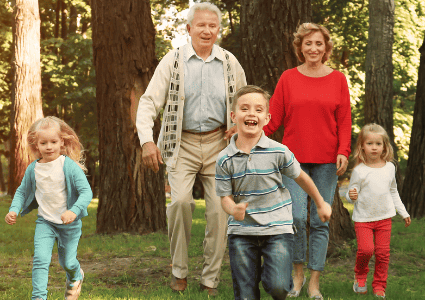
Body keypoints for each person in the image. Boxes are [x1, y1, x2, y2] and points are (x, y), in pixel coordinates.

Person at [135, 2, 247, 295]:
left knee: (219, 212)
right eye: (201, 25)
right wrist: (147, 140)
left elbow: (245, 102)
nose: (207, 30)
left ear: (218, 30)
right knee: (180, 203)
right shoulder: (172, 61)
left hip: (219, 145)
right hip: (180, 143)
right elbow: (148, 102)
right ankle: (179, 272)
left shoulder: (229, 63)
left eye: (212, 26)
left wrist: (239, 123)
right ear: (189, 29)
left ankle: (210, 279)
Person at [262, 23, 352, 299]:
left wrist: (344, 151)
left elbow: (344, 120)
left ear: (326, 49)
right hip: (293, 162)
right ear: (300, 48)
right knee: (297, 218)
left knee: (321, 221)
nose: (313, 48)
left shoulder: (338, 79)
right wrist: (249, 134)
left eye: (319, 44)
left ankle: (315, 282)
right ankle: (297, 276)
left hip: (327, 161)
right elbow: (273, 119)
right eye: (308, 44)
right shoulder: (288, 78)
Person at [217, 85, 332, 300]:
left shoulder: (279, 151)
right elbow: (224, 196)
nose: (251, 113)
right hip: (242, 232)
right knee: (245, 295)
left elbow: (302, 178)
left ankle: (269, 272)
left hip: (277, 229)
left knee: (278, 286)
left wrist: (320, 202)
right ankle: (251, 276)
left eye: (258, 110)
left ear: (267, 118)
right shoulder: (225, 158)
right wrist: (233, 208)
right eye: (245, 108)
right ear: (233, 116)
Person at [4, 116, 93, 300]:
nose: (49, 146)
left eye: (53, 141)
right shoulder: (33, 169)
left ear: (62, 142)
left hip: (69, 224)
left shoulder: (68, 166)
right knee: (40, 260)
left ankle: (75, 276)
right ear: (36, 145)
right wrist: (14, 209)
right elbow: (21, 192)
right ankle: (38, 297)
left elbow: (86, 192)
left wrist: (74, 211)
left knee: (67, 262)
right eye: (43, 142)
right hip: (45, 222)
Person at [346, 124, 412, 299]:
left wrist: (403, 212)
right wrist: (351, 195)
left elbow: (393, 191)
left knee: (383, 254)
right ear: (362, 146)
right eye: (369, 143)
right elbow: (350, 193)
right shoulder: (359, 171)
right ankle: (360, 276)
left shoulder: (390, 168)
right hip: (363, 219)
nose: (374, 147)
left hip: (384, 218)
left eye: (378, 144)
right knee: (366, 250)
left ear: (385, 146)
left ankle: (379, 286)